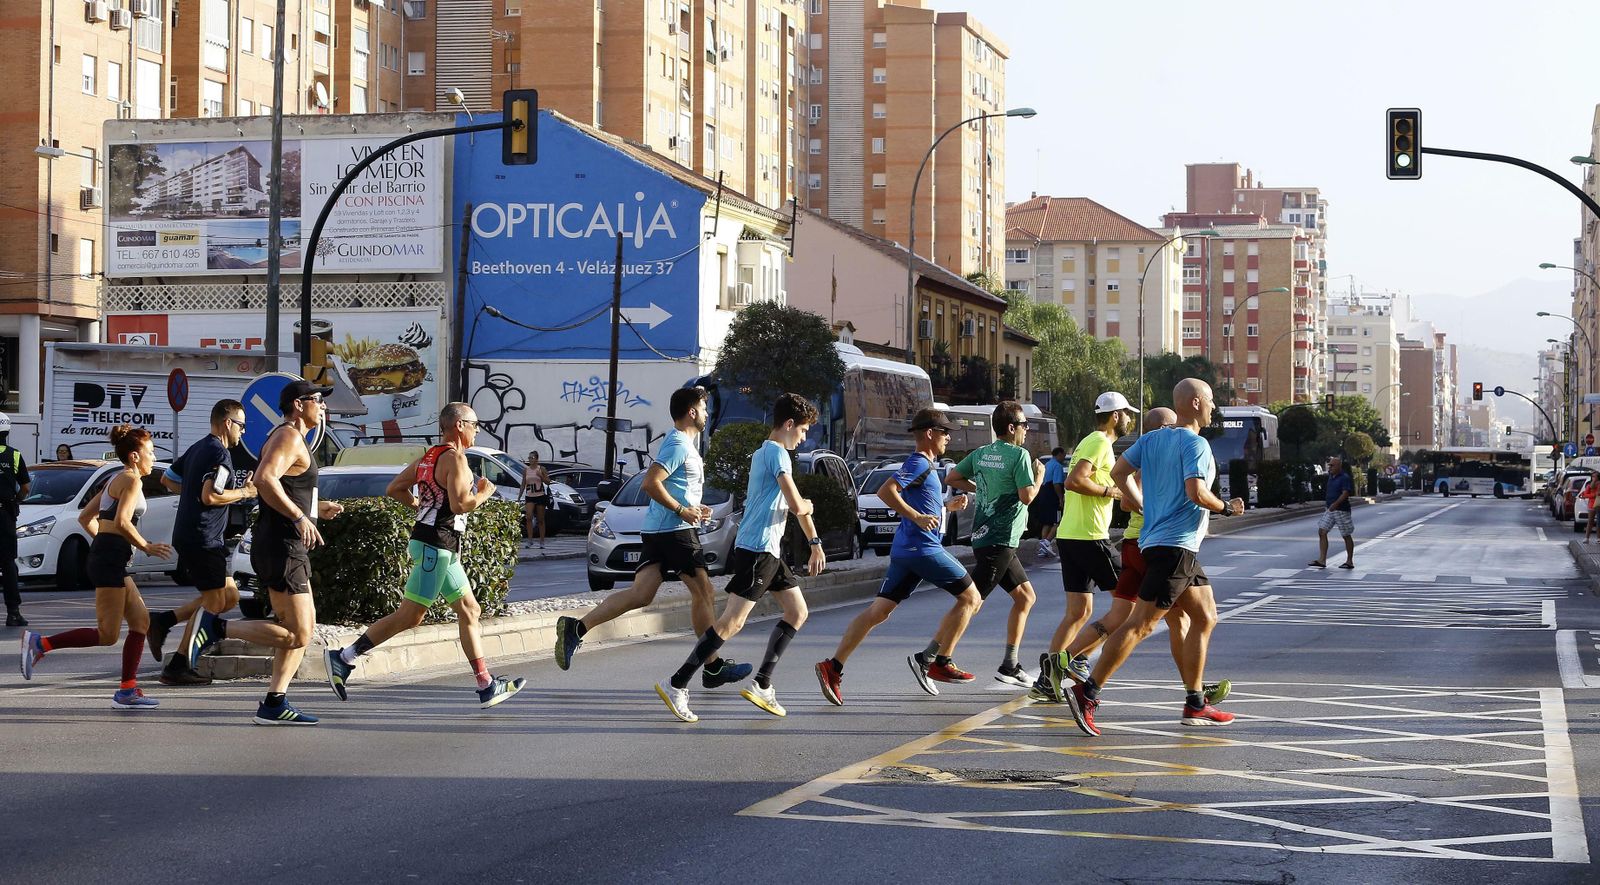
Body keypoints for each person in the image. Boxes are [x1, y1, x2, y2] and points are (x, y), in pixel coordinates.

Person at [1064, 379, 1242, 736]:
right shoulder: (1196, 444)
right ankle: (1088, 691)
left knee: (1205, 617)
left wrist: (1142, 503)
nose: (1212, 408)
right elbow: (1196, 492)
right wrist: (1227, 508)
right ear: (1193, 403)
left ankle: (1195, 704)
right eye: (1209, 401)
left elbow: (1118, 474)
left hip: (1166, 544)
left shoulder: (1151, 439)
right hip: (1175, 546)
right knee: (1141, 624)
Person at [323, 403, 526, 709]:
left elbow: (396, 488)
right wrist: (484, 492)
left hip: (439, 546)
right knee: (410, 616)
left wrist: (421, 507)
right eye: (474, 423)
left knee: (470, 609)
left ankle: (486, 684)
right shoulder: (456, 459)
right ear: (459, 425)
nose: (477, 429)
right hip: (437, 546)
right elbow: (460, 505)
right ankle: (344, 657)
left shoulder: (428, 457)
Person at [553, 387, 752, 688]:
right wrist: (682, 511)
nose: (708, 414)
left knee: (641, 594)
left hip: (660, 529)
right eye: (704, 408)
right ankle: (712, 666)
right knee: (705, 593)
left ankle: (577, 628)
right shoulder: (678, 445)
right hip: (675, 531)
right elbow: (650, 483)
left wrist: (694, 508)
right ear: (692, 412)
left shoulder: (681, 444)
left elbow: (670, 487)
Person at [656, 393, 824, 722]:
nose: (804, 437)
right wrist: (809, 505)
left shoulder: (767, 452)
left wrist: (815, 542)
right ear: (789, 425)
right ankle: (676, 683)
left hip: (767, 550)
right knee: (731, 623)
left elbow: (789, 504)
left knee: (797, 611)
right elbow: (796, 504)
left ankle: (762, 684)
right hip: (758, 549)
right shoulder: (777, 454)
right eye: (803, 430)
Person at [814, 408, 976, 706]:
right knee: (971, 598)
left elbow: (922, 502)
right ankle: (940, 661)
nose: (948, 438)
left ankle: (833, 666)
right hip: (922, 550)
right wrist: (915, 516)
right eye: (944, 432)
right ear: (929, 433)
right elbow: (887, 491)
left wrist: (946, 507)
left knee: (878, 612)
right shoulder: (917, 462)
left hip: (906, 551)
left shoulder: (926, 466)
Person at [20, 425, 172, 709]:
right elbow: (125, 522)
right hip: (109, 558)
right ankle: (40, 644)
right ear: (135, 456)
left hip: (109, 554)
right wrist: (145, 546)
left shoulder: (116, 477)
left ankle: (127, 690)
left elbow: (86, 518)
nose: (153, 458)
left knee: (140, 621)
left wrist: (107, 542)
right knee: (107, 634)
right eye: (150, 453)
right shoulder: (131, 480)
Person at [241, 379, 344, 726]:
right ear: (299, 405)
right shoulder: (287, 435)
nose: (324, 407)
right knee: (299, 632)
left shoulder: (294, 438)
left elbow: (286, 486)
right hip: (282, 544)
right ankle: (215, 627)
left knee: (303, 627)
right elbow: (265, 479)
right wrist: (300, 516)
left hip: (285, 543)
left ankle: (275, 701)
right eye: (318, 400)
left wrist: (316, 508)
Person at [144, 400, 262, 688]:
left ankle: (164, 621)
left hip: (201, 536)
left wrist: (194, 491)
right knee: (213, 602)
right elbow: (210, 497)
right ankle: (179, 665)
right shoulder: (218, 453)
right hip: (202, 537)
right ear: (227, 423)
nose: (243, 432)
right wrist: (245, 492)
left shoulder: (199, 447)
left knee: (230, 596)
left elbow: (168, 480)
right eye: (242, 425)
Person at [1033, 393, 1134, 701]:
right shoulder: (1099, 442)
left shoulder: (1091, 442)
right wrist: (1111, 492)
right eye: (1127, 413)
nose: (1131, 418)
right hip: (1090, 537)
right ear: (1115, 416)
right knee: (1127, 606)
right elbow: (1075, 481)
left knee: (1079, 611)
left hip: (1072, 535)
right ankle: (1074, 660)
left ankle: (1047, 681)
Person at [938, 401, 1044, 687]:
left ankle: (1010, 664)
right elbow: (1027, 497)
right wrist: (1040, 477)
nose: (1026, 430)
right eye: (1024, 425)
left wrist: (982, 486)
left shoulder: (982, 453)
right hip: (1000, 538)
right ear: (1011, 428)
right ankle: (933, 657)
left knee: (1025, 598)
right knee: (971, 600)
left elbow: (952, 477)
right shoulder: (1020, 456)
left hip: (989, 538)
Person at [0, 413, 31, 627]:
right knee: (8, 563)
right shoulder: (14, 456)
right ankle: (13, 613)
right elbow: (26, 488)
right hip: (4, 515)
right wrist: (15, 499)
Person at [1309, 455, 1356, 569]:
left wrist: (1336, 504)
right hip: (1330, 510)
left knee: (1346, 535)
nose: (1330, 467)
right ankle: (1322, 560)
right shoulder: (1331, 476)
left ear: (1339, 466)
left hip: (1341, 510)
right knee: (1322, 531)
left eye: (1332, 465)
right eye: (1329, 465)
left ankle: (1349, 561)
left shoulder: (1344, 477)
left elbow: (1345, 493)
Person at [1030, 447, 1067, 558]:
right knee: (1058, 521)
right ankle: (1046, 542)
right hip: (1053, 497)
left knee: (1047, 522)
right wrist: (1060, 498)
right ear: (1059, 454)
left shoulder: (1047, 465)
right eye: (1064, 455)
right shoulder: (1058, 466)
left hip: (1043, 495)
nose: (1064, 457)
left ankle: (1043, 548)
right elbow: (1056, 484)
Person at [520, 451, 550, 549]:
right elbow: (523, 483)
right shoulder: (526, 470)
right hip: (529, 495)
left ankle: (542, 541)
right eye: (529, 457)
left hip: (540, 495)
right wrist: (520, 495)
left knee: (541, 519)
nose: (530, 459)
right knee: (528, 517)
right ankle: (530, 540)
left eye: (532, 457)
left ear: (536, 459)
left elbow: (548, 482)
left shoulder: (541, 469)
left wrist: (540, 476)